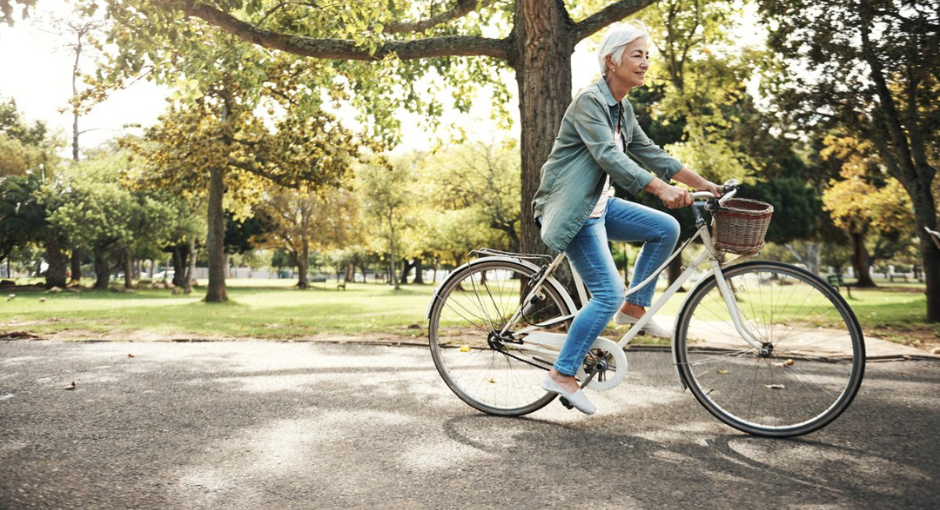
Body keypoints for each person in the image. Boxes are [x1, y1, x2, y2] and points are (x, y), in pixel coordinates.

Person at [531, 20, 722, 415]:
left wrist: (703, 183)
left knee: (665, 227)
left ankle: (635, 309)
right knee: (607, 292)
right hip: (575, 210)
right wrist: (661, 189)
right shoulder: (589, 102)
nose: (645, 62)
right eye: (637, 55)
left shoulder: (622, 109)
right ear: (611, 61)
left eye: (647, 55)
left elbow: (650, 152)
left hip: (599, 205)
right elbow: (610, 157)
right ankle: (562, 374)